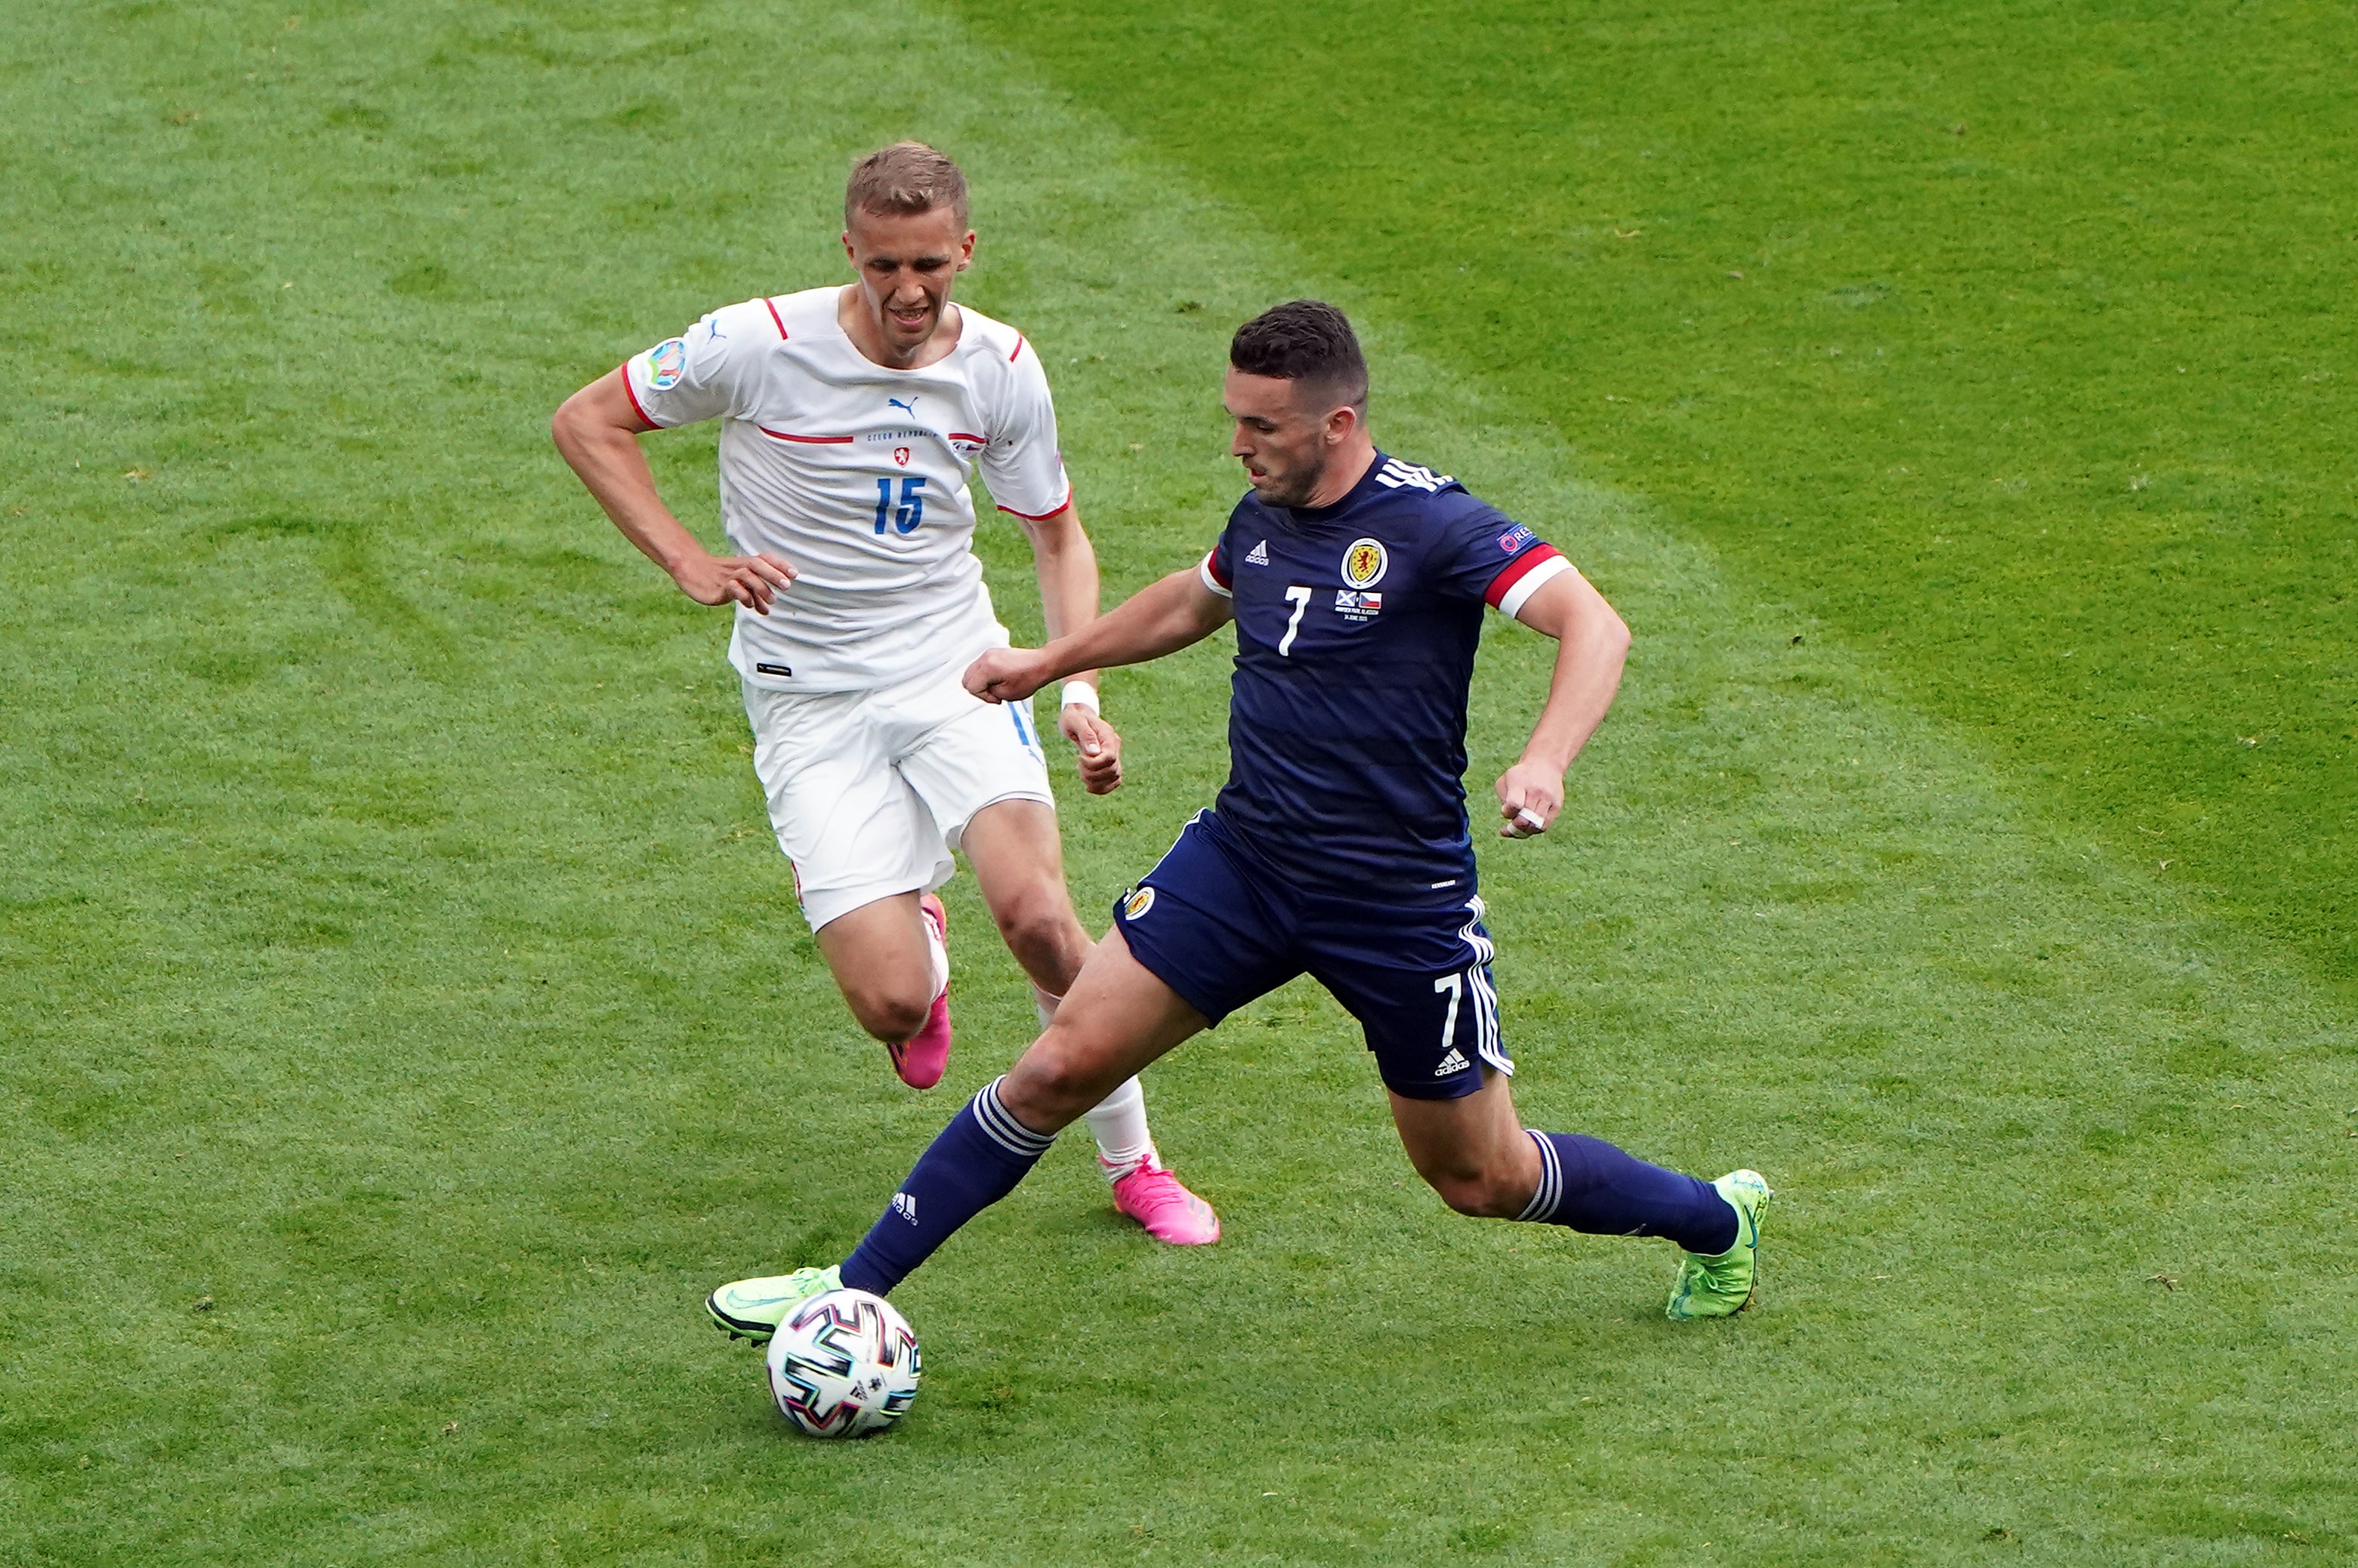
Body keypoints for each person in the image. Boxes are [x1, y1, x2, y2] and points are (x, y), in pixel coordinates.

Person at [705, 298, 1770, 1344]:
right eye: (1235, 418)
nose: (1237, 445)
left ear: (1335, 426)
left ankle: (1714, 1220)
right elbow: (1193, 598)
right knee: (1057, 1067)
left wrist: (1544, 759)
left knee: (1479, 1176)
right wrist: (1047, 662)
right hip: (1245, 864)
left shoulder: (1433, 524)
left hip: (1394, 901)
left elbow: (1595, 623)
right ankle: (844, 1291)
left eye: (1261, 426)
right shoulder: (1264, 515)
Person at [550, 144, 1220, 1305]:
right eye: (883, 266)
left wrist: (1074, 689)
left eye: (929, 266)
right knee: (891, 1006)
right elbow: (586, 422)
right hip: (808, 700)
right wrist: (688, 560)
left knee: (1046, 924)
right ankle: (918, 934)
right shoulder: (754, 343)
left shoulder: (1003, 365)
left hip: (955, 675)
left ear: (965, 251)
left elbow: (1054, 536)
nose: (908, 292)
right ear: (847, 252)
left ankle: (1135, 1163)